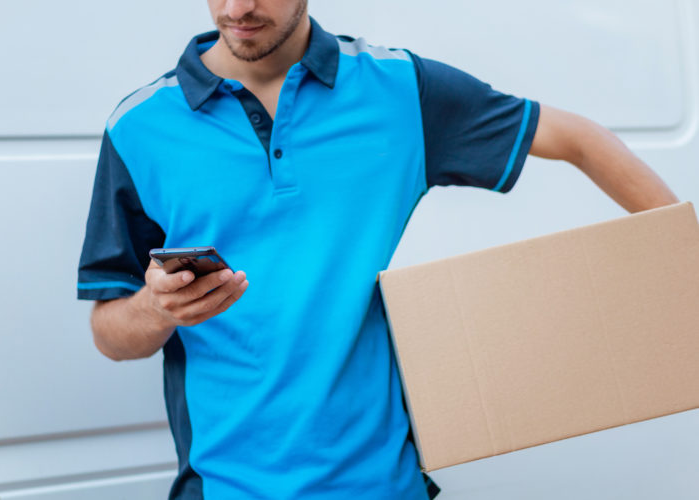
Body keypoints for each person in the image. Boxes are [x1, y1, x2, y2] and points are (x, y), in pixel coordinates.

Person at [77, 1, 679, 498]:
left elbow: (577, 139)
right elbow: (109, 333)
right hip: (224, 487)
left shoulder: (401, 92)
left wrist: (684, 265)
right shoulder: (139, 128)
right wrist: (157, 310)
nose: (239, 9)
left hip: (384, 486)